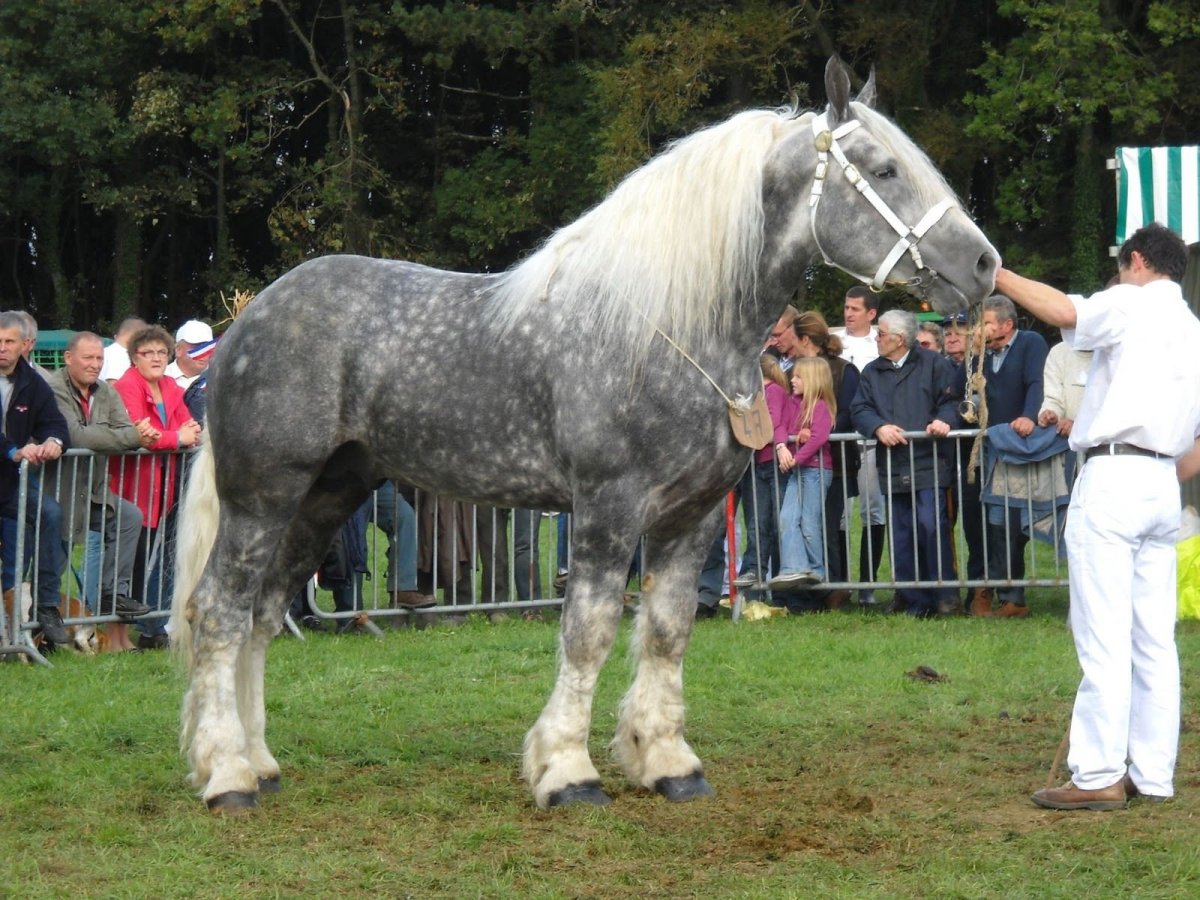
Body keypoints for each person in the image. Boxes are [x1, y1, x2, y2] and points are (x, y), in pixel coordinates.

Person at [996, 222, 1200, 810]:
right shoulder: (1190, 327)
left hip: (1114, 475)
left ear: (1135, 261)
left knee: (1104, 634)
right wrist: (1165, 470)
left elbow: (1061, 308)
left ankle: (1097, 774)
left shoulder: (1131, 303)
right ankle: (1153, 773)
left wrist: (997, 273)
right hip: (1162, 481)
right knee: (1154, 639)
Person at [46, 332, 156, 651]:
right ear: (68, 359)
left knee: (128, 516)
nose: (95, 365)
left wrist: (120, 435)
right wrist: (130, 437)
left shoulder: (106, 391)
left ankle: (112, 594)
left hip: (92, 491)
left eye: (99, 359)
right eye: (87, 358)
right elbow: (76, 436)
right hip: (57, 491)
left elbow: (123, 429)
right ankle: (36, 626)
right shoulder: (54, 388)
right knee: (53, 561)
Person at [850, 310, 961, 618]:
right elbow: (859, 408)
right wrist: (877, 427)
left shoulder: (935, 364)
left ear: (898, 339)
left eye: (881, 334)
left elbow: (952, 400)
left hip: (930, 461)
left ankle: (945, 596)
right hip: (893, 463)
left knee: (931, 527)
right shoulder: (872, 372)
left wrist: (944, 420)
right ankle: (911, 598)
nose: (877, 338)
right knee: (901, 532)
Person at [112, 325, 203, 648]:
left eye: (161, 352)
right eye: (147, 353)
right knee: (129, 561)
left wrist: (178, 435)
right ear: (134, 357)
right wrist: (176, 438)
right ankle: (117, 631)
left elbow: (189, 425)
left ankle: (149, 629)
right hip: (131, 485)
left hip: (161, 487)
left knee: (152, 558)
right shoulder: (127, 386)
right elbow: (142, 434)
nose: (156, 358)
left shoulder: (171, 387)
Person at [976, 294, 1049, 618]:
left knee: (1015, 520)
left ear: (1007, 325)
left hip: (1021, 446)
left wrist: (1029, 415)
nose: (980, 329)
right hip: (992, 447)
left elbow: (1036, 382)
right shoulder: (979, 356)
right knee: (996, 521)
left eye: (986, 323)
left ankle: (1012, 596)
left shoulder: (1031, 343)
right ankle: (1006, 594)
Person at [0, 311, 70, 646]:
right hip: (10, 466)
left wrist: (54, 442)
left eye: (8, 341)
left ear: (24, 345)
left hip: (11, 484)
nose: (2, 348)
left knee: (51, 513)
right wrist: (13, 449)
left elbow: (55, 423)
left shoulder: (33, 381)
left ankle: (46, 606)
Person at [788, 310, 860, 610]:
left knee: (829, 525)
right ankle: (807, 587)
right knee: (801, 522)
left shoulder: (844, 370)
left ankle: (833, 586)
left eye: (790, 337)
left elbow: (847, 413)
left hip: (837, 463)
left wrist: (816, 430)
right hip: (802, 460)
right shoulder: (794, 371)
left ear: (805, 339)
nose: (784, 344)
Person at [832, 286, 887, 606]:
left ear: (871, 313)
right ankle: (839, 583)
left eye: (855, 308)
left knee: (872, 510)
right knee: (839, 515)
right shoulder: (833, 340)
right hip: (840, 442)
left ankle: (868, 582)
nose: (848, 313)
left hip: (868, 441)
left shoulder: (881, 342)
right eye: (846, 307)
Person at [769, 356, 835, 593]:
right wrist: (782, 446)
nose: (792, 380)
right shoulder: (792, 402)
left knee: (808, 522)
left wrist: (796, 457)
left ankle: (816, 569)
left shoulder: (820, 406)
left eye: (798, 377)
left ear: (812, 380)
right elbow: (779, 426)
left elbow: (819, 437)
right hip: (799, 470)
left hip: (816, 471)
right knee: (787, 518)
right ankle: (795, 567)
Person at [732, 354, 793, 593]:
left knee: (776, 523)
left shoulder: (774, 391)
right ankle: (754, 583)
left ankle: (779, 584)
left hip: (773, 465)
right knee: (757, 524)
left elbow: (772, 424)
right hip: (756, 464)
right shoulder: (754, 395)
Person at [165, 319, 214, 390]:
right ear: (178, 350)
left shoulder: (218, 378)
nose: (203, 352)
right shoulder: (159, 377)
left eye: (206, 346)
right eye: (196, 346)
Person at [99, 317, 146, 384]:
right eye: (145, 337)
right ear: (137, 335)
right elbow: (115, 388)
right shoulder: (120, 356)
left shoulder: (107, 351)